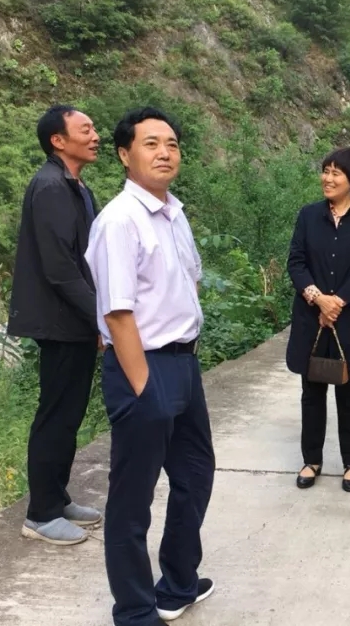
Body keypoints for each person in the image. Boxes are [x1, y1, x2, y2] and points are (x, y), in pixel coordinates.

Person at [85, 107, 216, 626]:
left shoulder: (174, 213)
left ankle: (177, 583)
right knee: (132, 500)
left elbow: (189, 281)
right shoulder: (119, 220)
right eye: (151, 143)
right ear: (124, 154)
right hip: (144, 368)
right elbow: (117, 314)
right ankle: (136, 610)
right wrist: (143, 385)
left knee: (195, 475)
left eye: (172, 144)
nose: (165, 152)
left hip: (183, 364)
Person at [8, 104, 103, 547]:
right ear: (58, 141)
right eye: (85, 130)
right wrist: (101, 317)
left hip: (77, 319)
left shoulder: (75, 186)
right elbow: (60, 268)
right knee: (56, 414)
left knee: (69, 414)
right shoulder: (49, 186)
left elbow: (87, 258)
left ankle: (57, 498)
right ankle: (41, 514)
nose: (95, 136)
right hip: (61, 320)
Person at [286, 147, 350, 494]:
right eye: (325, 171)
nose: (327, 179)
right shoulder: (308, 215)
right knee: (311, 392)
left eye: (335, 173)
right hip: (312, 316)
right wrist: (318, 299)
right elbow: (296, 262)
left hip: (349, 318)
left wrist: (337, 303)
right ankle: (311, 460)